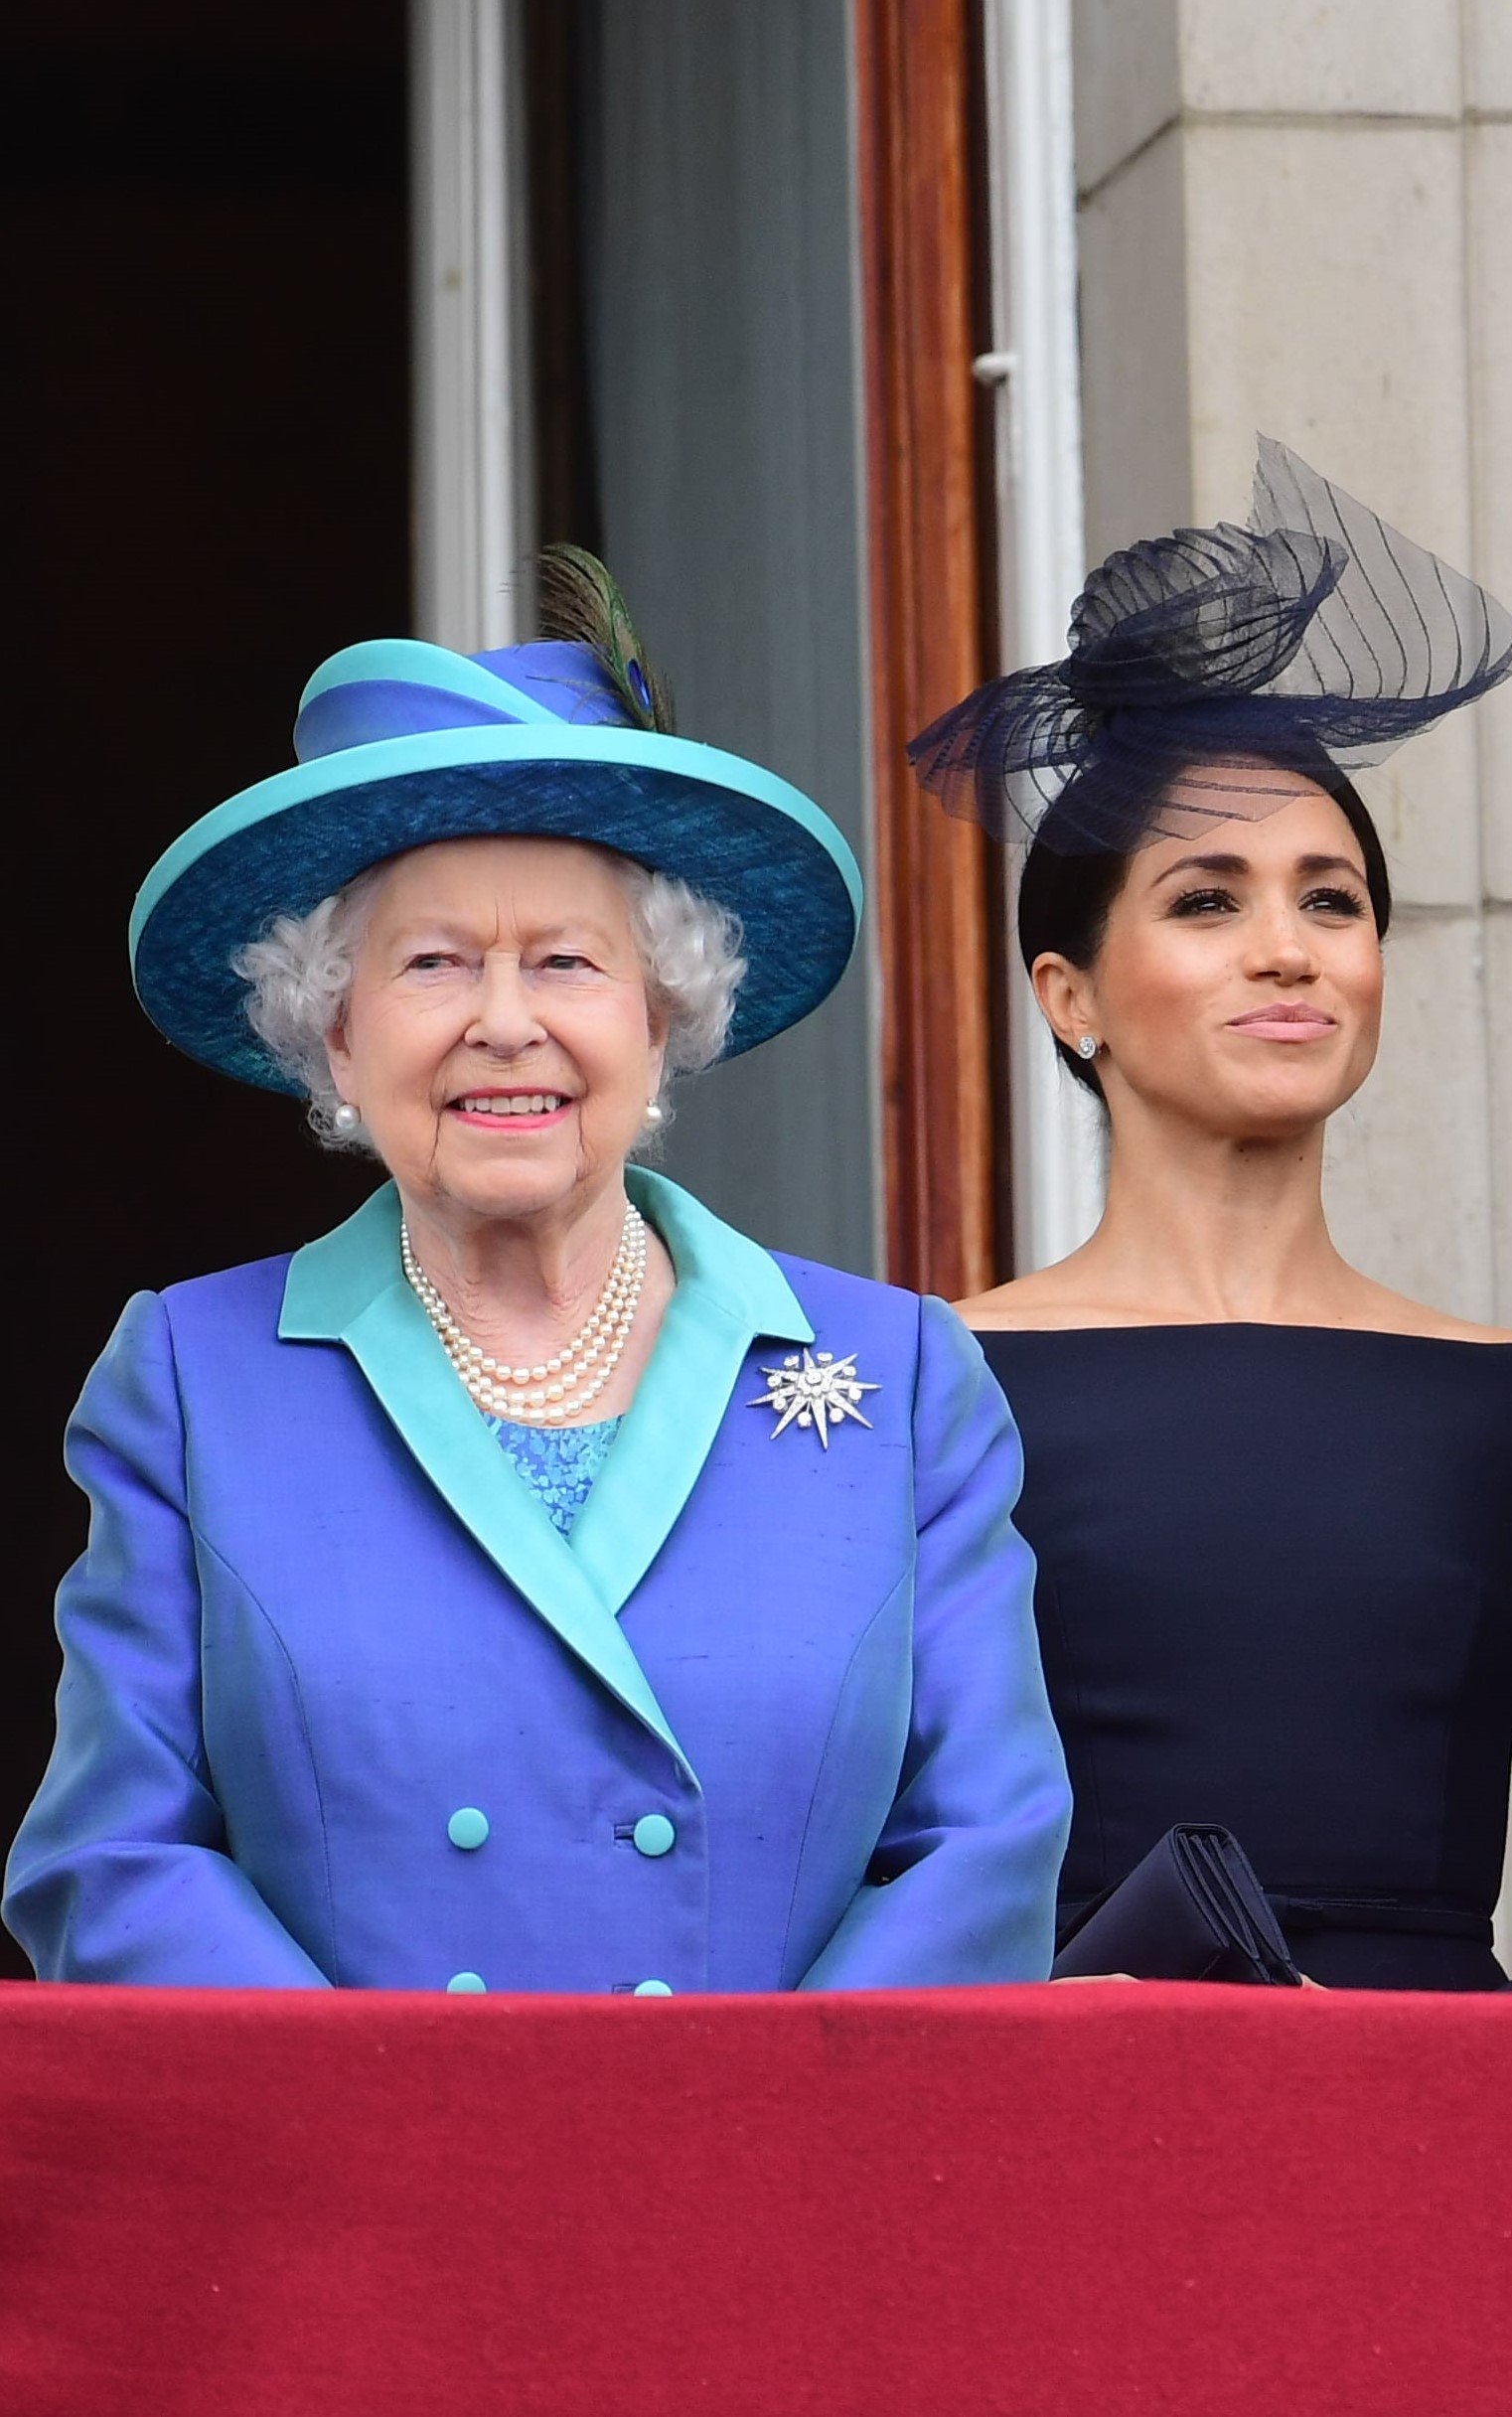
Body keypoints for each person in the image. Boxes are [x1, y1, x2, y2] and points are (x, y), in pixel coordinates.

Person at [12, 564, 1070, 1991]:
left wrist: (761, 2136)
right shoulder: (194, 1381)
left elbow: (987, 1846)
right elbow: (112, 1860)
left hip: (767, 2184)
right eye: (435, 963)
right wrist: (395, 2132)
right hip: (361, 2187)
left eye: (567, 961)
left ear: (662, 1013)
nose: (506, 1025)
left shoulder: (906, 1376)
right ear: (335, 1036)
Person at [916, 444, 1512, 1992]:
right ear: (1067, 996)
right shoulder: (930, 1384)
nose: (1287, 948)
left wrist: (1420, 2101)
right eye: (1207, 900)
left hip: (1437, 2171)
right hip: (1046, 2150)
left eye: (1331, 898)